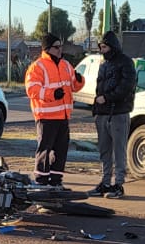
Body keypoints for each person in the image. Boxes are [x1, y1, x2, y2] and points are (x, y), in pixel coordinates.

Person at [24, 34, 84, 186]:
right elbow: (32, 89)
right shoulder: (38, 66)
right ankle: (41, 180)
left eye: (60, 46)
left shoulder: (65, 65)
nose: (60, 50)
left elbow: (75, 86)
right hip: (46, 116)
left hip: (63, 116)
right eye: (56, 47)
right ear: (47, 49)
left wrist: (79, 80)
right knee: (44, 149)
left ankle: (56, 181)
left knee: (61, 150)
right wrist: (52, 94)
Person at [88, 30, 136, 199]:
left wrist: (107, 98)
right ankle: (106, 182)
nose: (102, 50)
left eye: (105, 47)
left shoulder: (126, 63)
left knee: (119, 150)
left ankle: (119, 184)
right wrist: (97, 108)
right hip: (102, 113)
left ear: (113, 46)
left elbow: (126, 87)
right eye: (101, 47)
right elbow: (99, 87)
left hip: (118, 113)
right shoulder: (104, 65)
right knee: (104, 150)